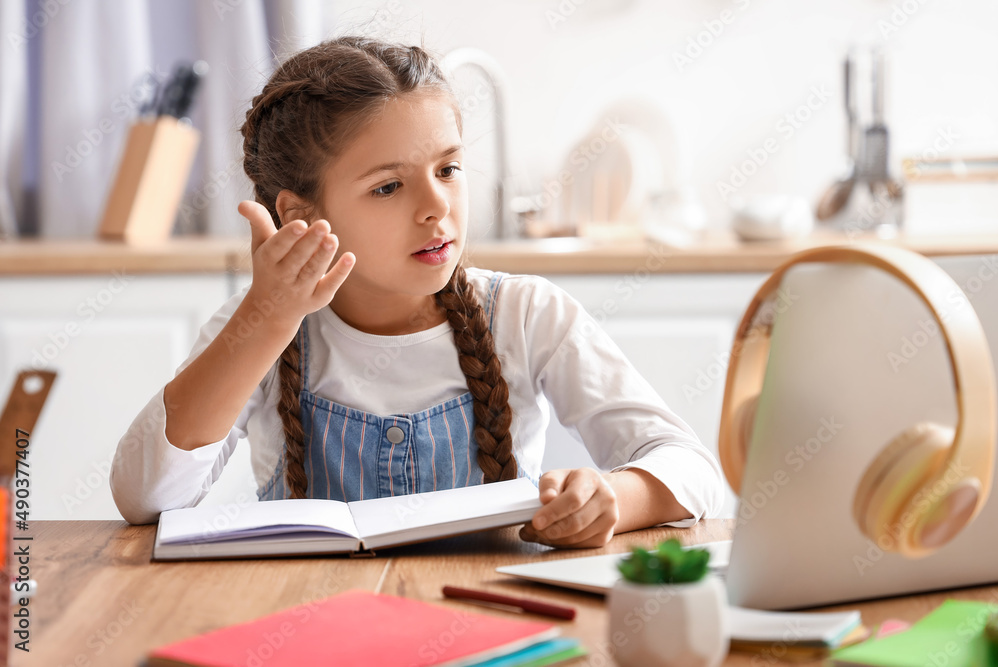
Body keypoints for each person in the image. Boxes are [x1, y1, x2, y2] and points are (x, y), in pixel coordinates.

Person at [110, 36, 724, 548]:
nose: (437, 208)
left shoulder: (527, 314)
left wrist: (611, 497)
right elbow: (144, 498)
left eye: (448, 170)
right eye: (388, 187)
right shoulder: (259, 327)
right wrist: (267, 320)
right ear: (298, 213)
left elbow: (689, 468)